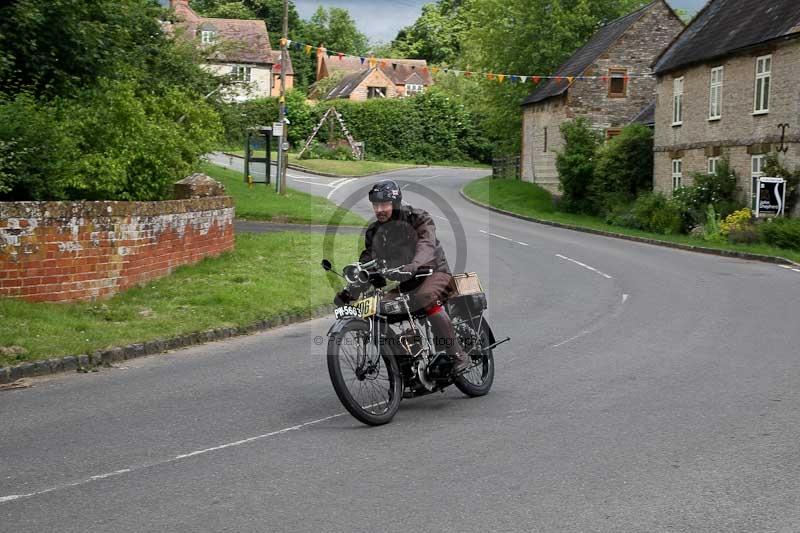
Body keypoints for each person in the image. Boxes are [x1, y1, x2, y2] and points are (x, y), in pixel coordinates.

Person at [334, 180, 471, 374]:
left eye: (384, 205)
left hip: (434, 272)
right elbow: (367, 264)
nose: (379, 209)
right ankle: (403, 366)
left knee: (424, 297)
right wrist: (350, 291)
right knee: (378, 308)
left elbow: (426, 244)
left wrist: (414, 265)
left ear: (396, 203)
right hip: (406, 282)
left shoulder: (418, 218)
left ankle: (458, 354)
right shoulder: (375, 232)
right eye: (375, 205)